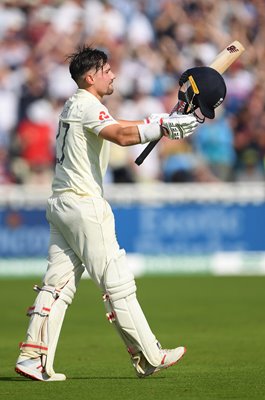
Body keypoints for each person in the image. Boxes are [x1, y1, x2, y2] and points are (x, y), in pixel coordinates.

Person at [14, 45, 198, 381]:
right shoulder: (86, 104)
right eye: (107, 70)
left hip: (60, 205)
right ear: (90, 77)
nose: (113, 74)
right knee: (118, 284)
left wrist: (159, 123)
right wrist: (163, 128)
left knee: (56, 286)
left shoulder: (75, 104)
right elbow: (121, 135)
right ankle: (149, 355)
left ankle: (33, 357)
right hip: (85, 206)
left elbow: (122, 126)